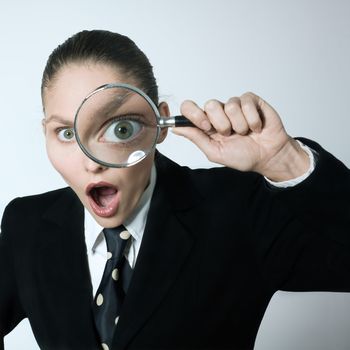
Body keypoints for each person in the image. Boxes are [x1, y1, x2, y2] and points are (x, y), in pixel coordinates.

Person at [0, 30, 349, 350]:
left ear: (159, 123)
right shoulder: (26, 224)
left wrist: (285, 160)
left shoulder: (238, 209)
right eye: (65, 133)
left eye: (120, 129)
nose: (91, 163)